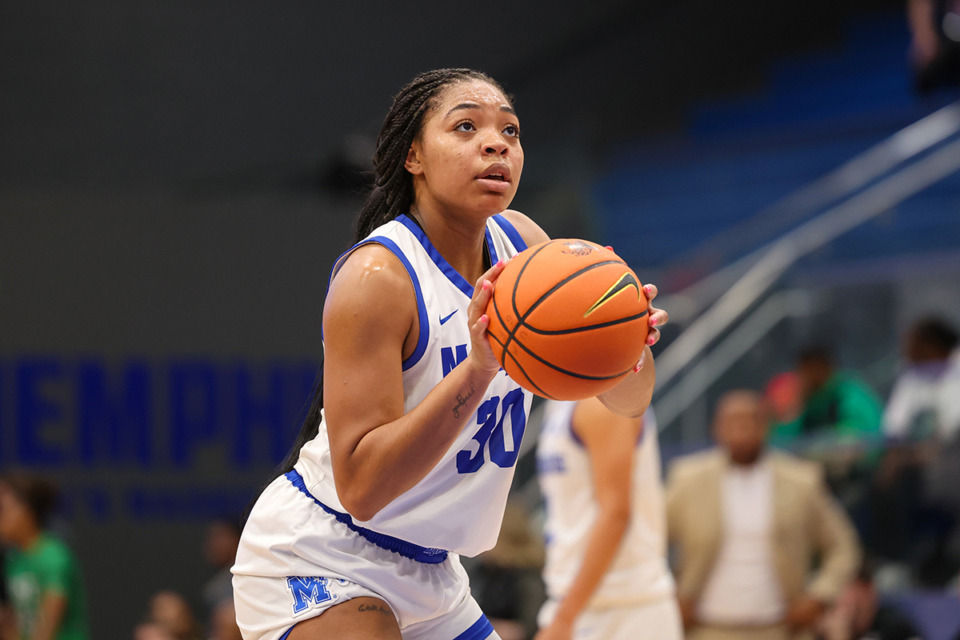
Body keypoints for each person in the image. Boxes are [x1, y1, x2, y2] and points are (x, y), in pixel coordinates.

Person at [231, 68, 667, 640]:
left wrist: (625, 339)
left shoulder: (527, 248)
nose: (495, 143)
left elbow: (631, 401)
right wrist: (479, 369)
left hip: (434, 569)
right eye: (465, 126)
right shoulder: (378, 276)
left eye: (510, 132)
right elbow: (363, 490)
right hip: (326, 551)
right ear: (413, 156)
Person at [666, 390, 860, 640]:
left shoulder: (802, 481)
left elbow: (843, 547)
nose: (741, 430)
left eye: (750, 421)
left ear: (765, 426)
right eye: (732, 423)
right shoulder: (688, 481)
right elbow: (648, 540)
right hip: (706, 629)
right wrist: (669, 596)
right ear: (717, 428)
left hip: (780, 629)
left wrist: (819, 597)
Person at [535, 399, 682, 640]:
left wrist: (565, 618)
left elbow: (616, 514)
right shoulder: (560, 402)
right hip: (578, 602)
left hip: (625, 610)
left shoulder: (603, 400)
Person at [0, 471, 89, 640]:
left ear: (25, 510)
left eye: (1, 508)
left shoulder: (53, 557)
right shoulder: (13, 562)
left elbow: (47, 629)